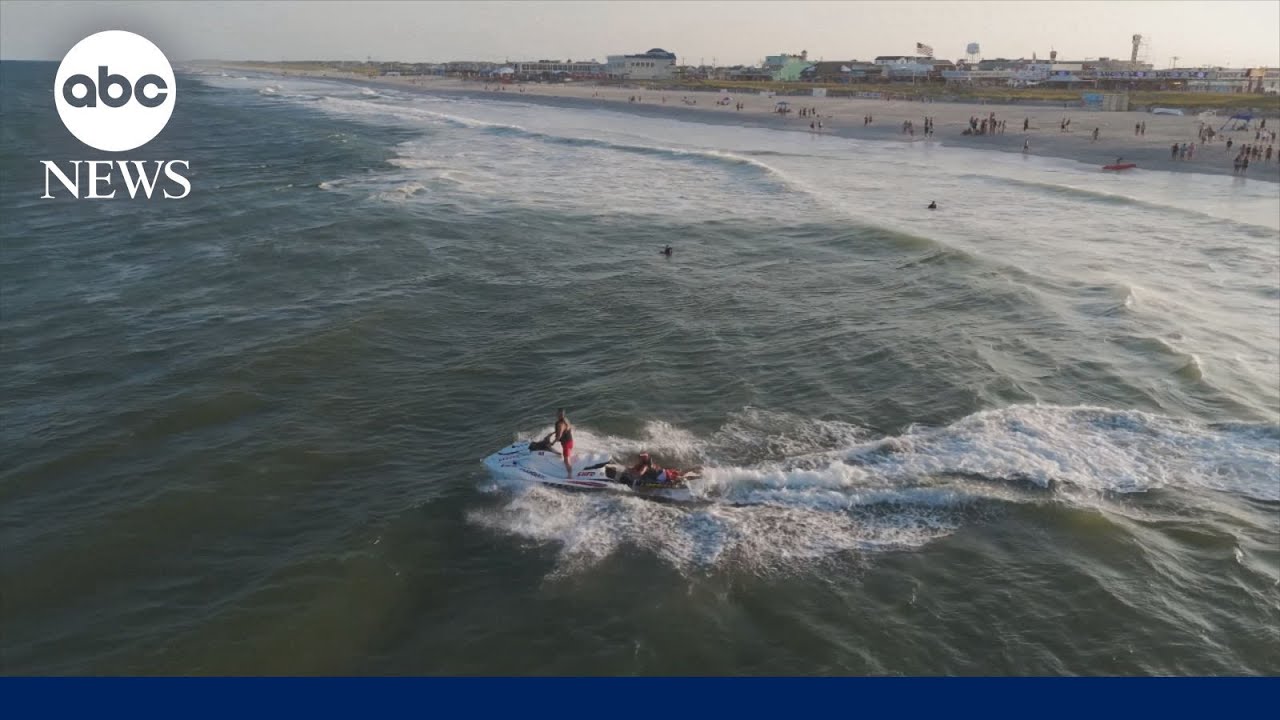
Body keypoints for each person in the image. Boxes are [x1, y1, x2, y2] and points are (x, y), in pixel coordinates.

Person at [548, 408, 574, 478]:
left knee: (566, 461)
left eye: (558, 413)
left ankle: (570, 475)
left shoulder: (561, 424)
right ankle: (568, 458)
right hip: (570, 442)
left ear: (559, 415)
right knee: (566, 455)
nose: (556, 415)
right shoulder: (566, 420)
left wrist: (552, 443)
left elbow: (559, 436)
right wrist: (552, 433)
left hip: (566, 444)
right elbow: (562, 431)